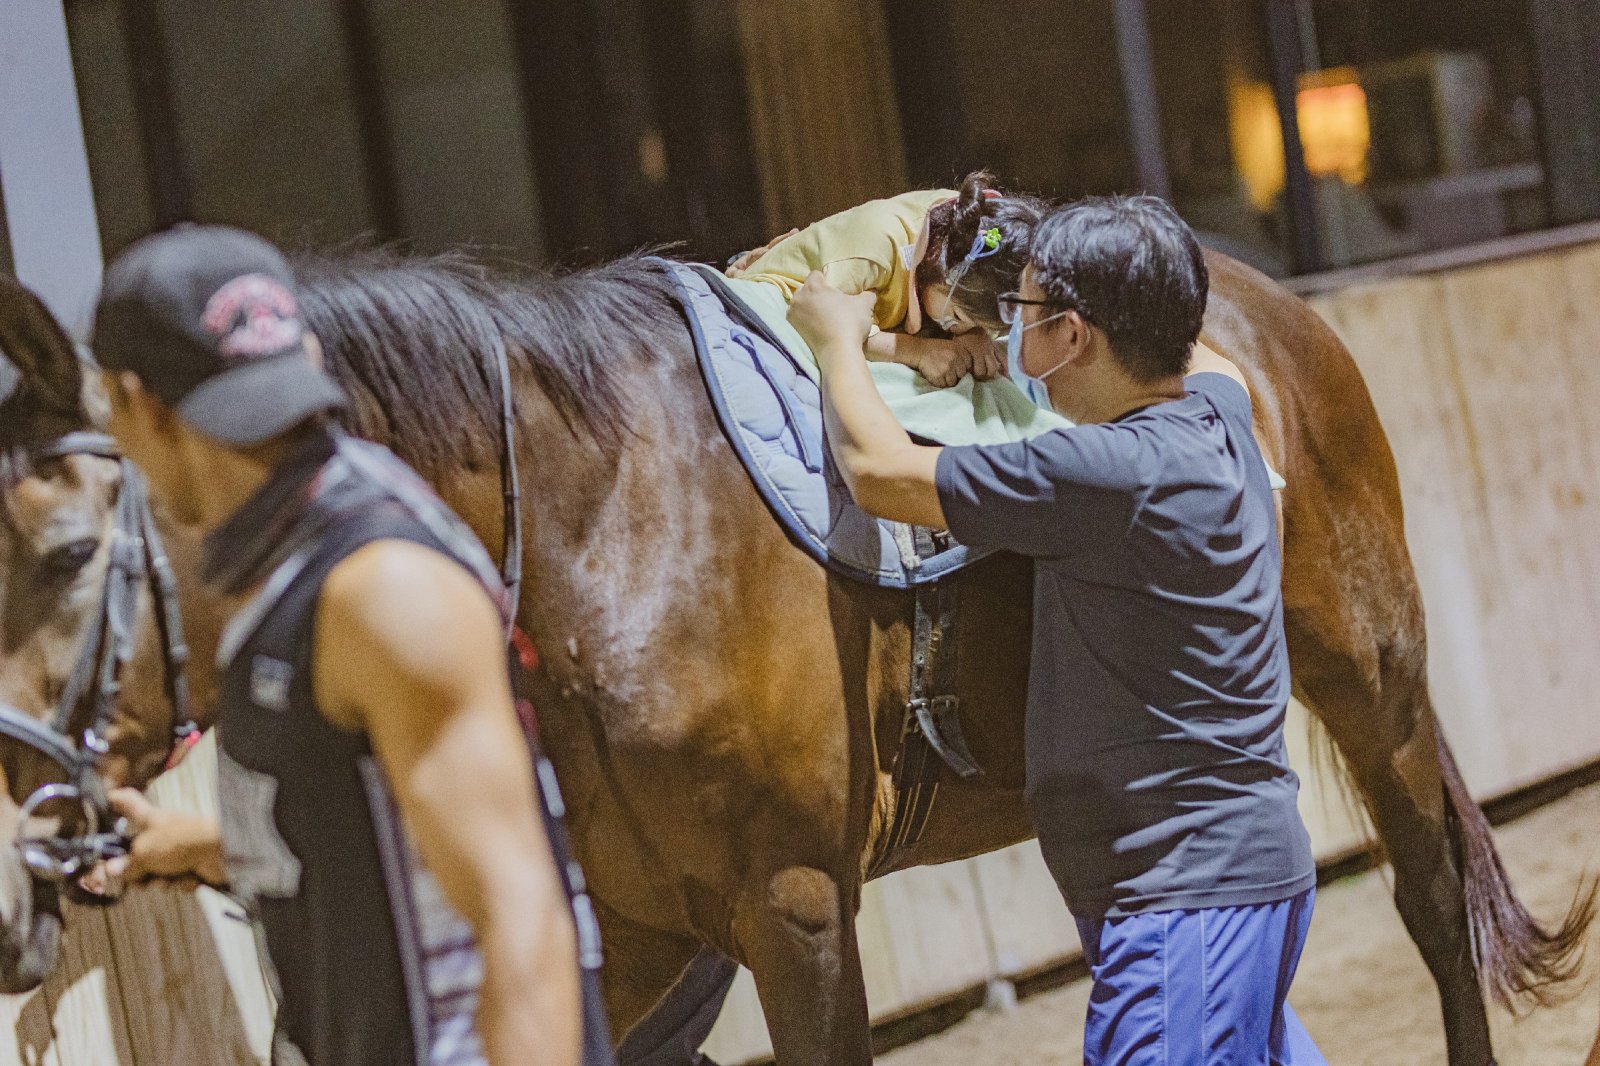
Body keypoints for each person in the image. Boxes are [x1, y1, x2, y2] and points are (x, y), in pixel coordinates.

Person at [786, 195, 1325, 1065]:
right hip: (1243, 877)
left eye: (1022, 311)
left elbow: (879, 472)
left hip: (1179, 903)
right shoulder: (1217, 410)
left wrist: (842, 338)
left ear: (1073, 335)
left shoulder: (1102, 472)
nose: (1007, 336)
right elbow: (1201, 347)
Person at [87, 225, 606, 1066]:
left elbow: (521, 917)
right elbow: (390, 837)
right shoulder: (291, 549)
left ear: (136, 404)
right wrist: (209, 849)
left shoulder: (380, 588)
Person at [729, 172, 1044, 388]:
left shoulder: (969, 221)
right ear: (940, 269)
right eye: (957, 317)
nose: (957, 327)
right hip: (785, 307)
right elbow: (821, 320)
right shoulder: (876, 249)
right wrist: (918, 351)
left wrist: (975, 332)